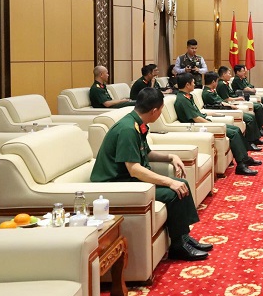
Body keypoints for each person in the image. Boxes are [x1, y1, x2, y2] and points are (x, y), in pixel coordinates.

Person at [90, 88, 211, 261]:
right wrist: (169, 182)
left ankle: (184, 237)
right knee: (173, 192)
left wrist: (170, 157)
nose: (160, 113)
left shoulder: (137, 123)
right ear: (154, 111)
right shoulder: (127, 129)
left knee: (181, 184)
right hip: (116, 183)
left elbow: (145, 153)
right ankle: (178, 246)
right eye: (161, 109)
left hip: (129, 179)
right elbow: (134, 169)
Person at [173, 73, 261, 176]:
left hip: (204, 122)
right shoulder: (182, 100)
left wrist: (213, 115)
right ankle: (241, 165)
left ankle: (245, 158)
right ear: (187, 85)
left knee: (236, 129)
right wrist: (212, 125)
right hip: (197, 127)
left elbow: (199, 113)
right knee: (232, 134)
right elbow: (196, 119)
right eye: (193, 82)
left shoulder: (188, 96)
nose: (195, 84)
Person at [202, 72, 263, 151]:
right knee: (249, 119)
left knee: (251, 116)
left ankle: (255, 139)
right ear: (213, 82)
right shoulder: (207, 93)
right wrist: (231, 106)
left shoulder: (211, 90)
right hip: (222, 110)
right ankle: (250, 143)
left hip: (226, 108)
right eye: (217, 81)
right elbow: (221, 102)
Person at [217, 66, 263, 130]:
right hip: (233, 102)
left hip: (236, 99)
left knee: (257, 107)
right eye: (229, 73)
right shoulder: (222, 84)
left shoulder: (226, 83)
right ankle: (260, 128)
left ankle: (261, 127)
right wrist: (238, 98)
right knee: (257, 107)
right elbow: (226, 99)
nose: (230, 75)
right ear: (223, 74)